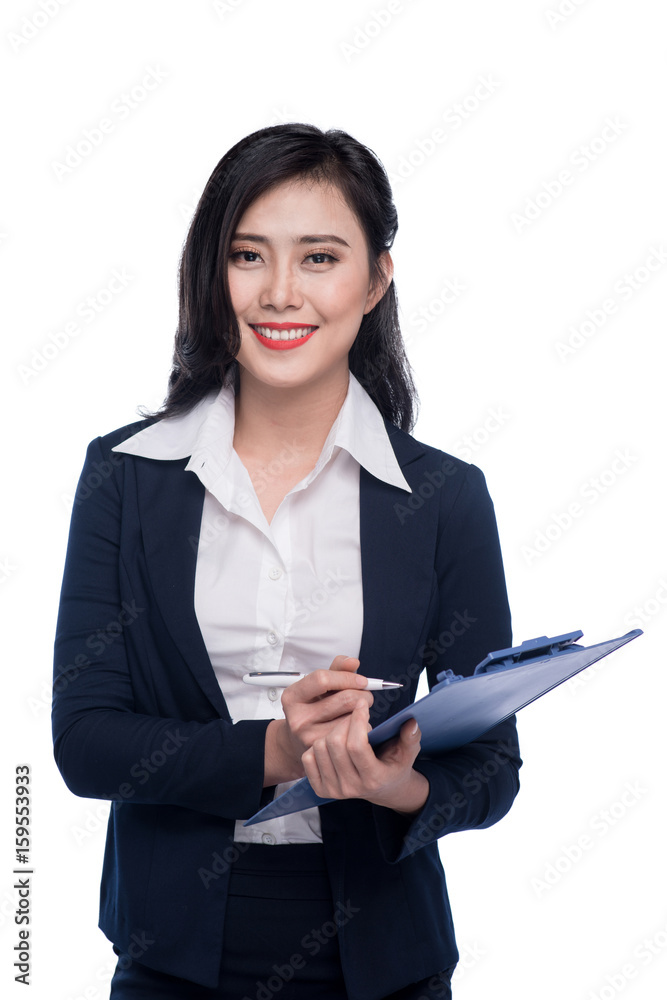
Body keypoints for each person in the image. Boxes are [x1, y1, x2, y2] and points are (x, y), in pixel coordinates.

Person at [52, 123, 522, 999]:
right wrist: (275, 749)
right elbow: (84, 743)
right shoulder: (125, 478)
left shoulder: (444, 497)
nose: (277, 294)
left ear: (376, 278)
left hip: (385, 959)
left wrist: (395, 785)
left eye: (318, 258)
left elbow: (491, 770)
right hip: (170, 958)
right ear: (209, 272)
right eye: (246, 256)